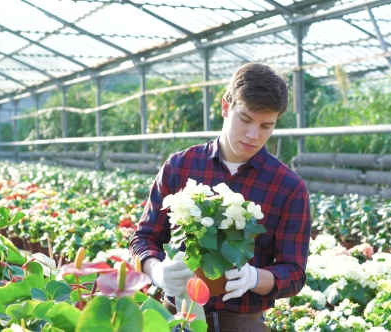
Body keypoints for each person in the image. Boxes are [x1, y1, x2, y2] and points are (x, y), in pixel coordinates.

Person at [130, 62, 311, 332]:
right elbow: (143, 238)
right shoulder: (180, 166)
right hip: (177, 318)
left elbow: (295, 273)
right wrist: (156, 271)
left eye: (266, 126)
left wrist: (254, 277)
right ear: (226, 107)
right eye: (246, 119)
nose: (253, 135)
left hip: (241, 324)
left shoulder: (288, 187)